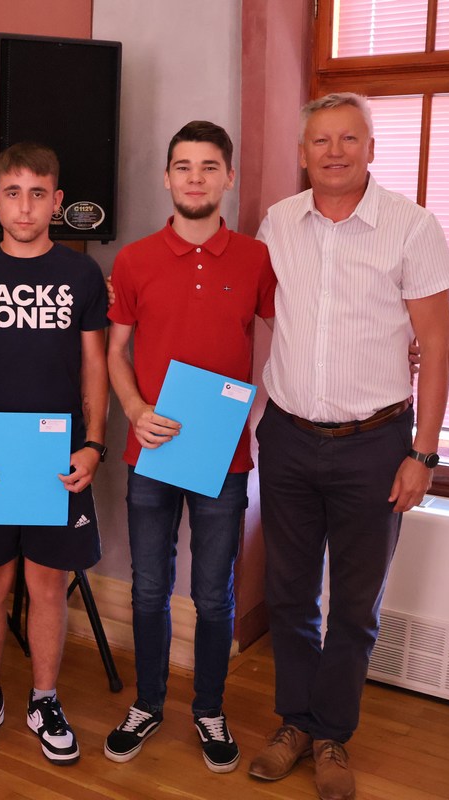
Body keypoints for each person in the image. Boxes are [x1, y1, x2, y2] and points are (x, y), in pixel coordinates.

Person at [247, 92, 449, 800]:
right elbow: (248, 305)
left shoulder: (411, 226)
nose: (333, 152)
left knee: (355, 605)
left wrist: (423, 454)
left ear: (370, 148)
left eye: (348, 139)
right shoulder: (278, 223)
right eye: (320, 141)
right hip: (288, 437)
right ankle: (294, 723)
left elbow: (436, 344)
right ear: (302, 152)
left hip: (376, 444)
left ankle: (332, 734)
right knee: (288, 594)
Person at [103, 121, 276, 773]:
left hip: (224, 458)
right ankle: (147, 703)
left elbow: (293, 339)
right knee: (148, 589)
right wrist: (134, 410)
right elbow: (116, 353)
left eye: (208, 166)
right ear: (167, 177)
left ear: (228, 176)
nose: (195, 178)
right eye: (183, 166)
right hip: (151, 452)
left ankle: (209, 709)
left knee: (213, 595)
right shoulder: (134, 260)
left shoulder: (257, 259)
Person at [0, 142, 108, 765]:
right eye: (12, 193)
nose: (24, 207)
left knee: (46, 582)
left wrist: (93, 444)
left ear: (56, 202)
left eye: (37, 194)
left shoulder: (81, 275)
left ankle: (44, 699)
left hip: (56, 459)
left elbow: (95, 365)